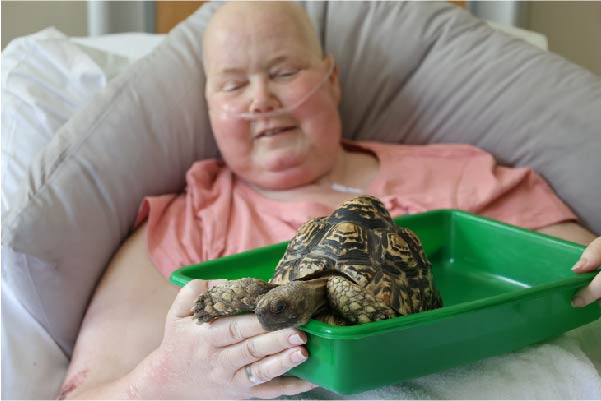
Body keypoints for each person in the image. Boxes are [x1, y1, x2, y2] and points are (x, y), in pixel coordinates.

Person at [59, 2, 600, 399]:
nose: (260, 101)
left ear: (332, 78)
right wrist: (166, 382)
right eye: (231, 85)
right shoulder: (188, 222)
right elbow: (84, 395)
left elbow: (578, 276)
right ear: (207, 107)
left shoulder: (460, 173)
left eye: (284, 72)